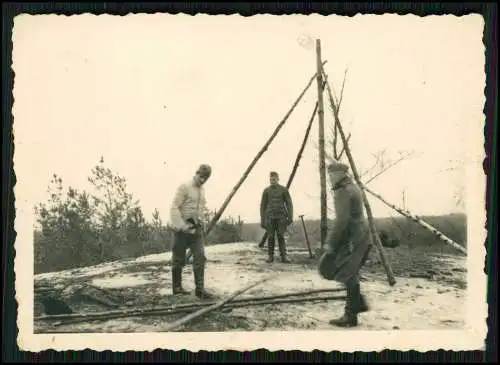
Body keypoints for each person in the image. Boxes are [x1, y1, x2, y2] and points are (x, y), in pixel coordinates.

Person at [318, 161, 372, 327]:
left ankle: (350, 315)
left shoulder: (342, 191)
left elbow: (342, 221)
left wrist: (331, 243)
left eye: (332, 175)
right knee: (350, 272)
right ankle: (357, 305)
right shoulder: (353, 187)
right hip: (361, 235)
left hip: (352, 238)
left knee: (344, 272)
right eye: (329, 175)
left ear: (340, 175)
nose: (330, 178)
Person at [170, 164, 214, 300]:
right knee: (178, 259)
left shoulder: (203, 191)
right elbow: (174, 207)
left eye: (205, 178)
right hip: (182, 229)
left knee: (200, 257)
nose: (202, 180)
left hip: (196, 229)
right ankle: (177, 288)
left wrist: (203, 223)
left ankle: (200, 289)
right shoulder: (184, 187)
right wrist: (182, 226)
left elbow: (200, 209)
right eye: (201, 177)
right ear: (196, 173)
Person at [260, 171, 294, 264]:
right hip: (270, 217)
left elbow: (289, 203)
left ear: (278, 179)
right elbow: (262, 206)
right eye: (271, 179)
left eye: (274, 179)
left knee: (280, 236)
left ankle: (284, 256)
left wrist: (290, 217)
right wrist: (262, 220)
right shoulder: (266, 191)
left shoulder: (283, 190)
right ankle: (270, 256)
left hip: (281, 217)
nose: (272, 181)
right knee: (270, 237)